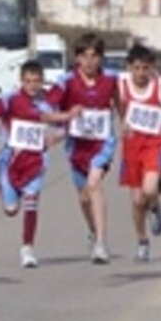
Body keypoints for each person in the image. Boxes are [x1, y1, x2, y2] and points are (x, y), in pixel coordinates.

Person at [0, 60, 79, 268]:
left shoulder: (47, 102)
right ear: (21, 81)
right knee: (11, 209)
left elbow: (62, 127)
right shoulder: (10, 100)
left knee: (32, 202)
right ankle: (5, 187)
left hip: (36, 161)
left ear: (42, 82)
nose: (32, 86)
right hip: (11, 160)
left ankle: (27, 248)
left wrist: (54, 137)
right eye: (28, 81)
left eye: (36, 81)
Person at [44, 33, 117, 264]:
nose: (89, 62)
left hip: (102, 142)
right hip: (77, 146)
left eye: (94, 56)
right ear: (76, 58)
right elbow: (45, 110)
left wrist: (125, 123)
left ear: (101, 59)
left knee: (95, 184)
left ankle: (102, 243)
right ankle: (93, 230)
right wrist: (65, 118)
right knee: (84, 197)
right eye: (84, 56)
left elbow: (121, 101)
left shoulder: (111, 80)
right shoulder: (66, 81)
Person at [116, 44, 161, 262]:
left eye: (145, 68)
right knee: (137, 201)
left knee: (149, 188)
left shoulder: (159, 85)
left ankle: (155, 207)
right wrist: (122, 121)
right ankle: (142, 241)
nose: (140, 73)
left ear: (151, 69)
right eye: (136, 68)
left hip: (154, 144)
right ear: (129, 67)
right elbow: (113, 102)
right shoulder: (121, 85)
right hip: (132, 147)